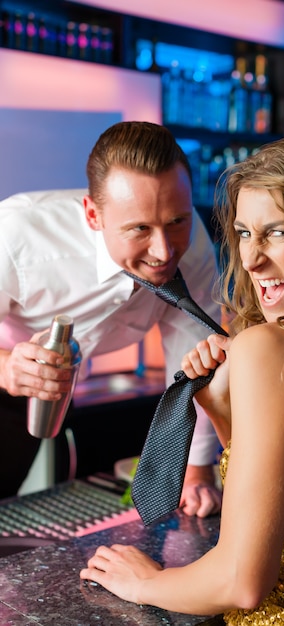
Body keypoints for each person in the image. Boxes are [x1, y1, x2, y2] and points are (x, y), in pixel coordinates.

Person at [80, 134, 284, 625]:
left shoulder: (268, 349)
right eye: (243, 232)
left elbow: (242, 580)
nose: (253, 259)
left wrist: (146, 582)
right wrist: (222, 411)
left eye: (278, 232)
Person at [0, 120, 222, 517]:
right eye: (139, 228)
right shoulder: (19, 233)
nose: (164, 250)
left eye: (177, 221)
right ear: (92, 215)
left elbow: (197, 359)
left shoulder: (195, 247)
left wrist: (198, 470)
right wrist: (6, 368)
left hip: (40, 398)